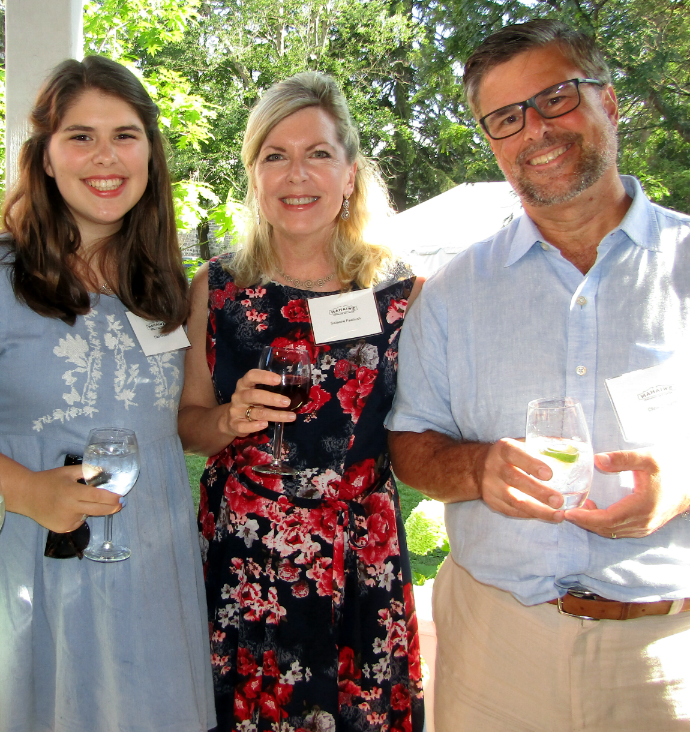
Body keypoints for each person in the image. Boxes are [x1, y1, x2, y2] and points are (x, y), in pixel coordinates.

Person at [386, 19, 690, 731]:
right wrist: (475, 469)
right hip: (498, 652)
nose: (537, 129)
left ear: (610, 103)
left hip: (682, 664)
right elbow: (410, 443)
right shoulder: (452, 294)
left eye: (557, 98)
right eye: (507, 117)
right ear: (492, 141)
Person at [0, 55, 216, 732]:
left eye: (125, 135)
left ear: (150, 154)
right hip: (31, 581)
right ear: (46, 159)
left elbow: (173, 422)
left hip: (150, 585)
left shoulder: (164, 287)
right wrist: (33, 492)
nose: (105, 157)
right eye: (80, 136)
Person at [179, 71, 425, 732]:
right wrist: (229, 419)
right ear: (254, 175)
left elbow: (427, 430)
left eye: (318, 153)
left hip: (357, 560)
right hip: (245, 559)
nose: (297, 175)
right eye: (275, 156)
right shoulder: (220, 286)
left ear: (349, 173)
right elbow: (189, 427)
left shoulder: (401, 294)